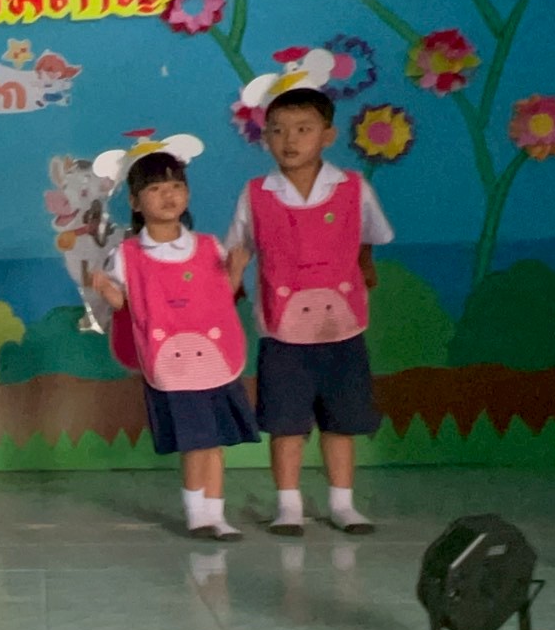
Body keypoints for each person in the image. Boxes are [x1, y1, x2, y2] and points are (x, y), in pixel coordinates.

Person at [226, 87, 393, 536]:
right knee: (286, 425)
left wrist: (364, 269)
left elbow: (370, 236)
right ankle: (288, 506)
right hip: (282, 332)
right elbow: (237, 249)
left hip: (342, 327)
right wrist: (229, 286)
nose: (290, 140)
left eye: (303, 129)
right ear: (265, 138)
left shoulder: (353, 188)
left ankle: (343, 504)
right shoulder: (256, 194)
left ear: (327, 135)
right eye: (277, 131)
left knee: (341, 422)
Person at [89, 133, 259, 541]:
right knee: (195, 442)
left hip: (213, 359)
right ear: (134, 202)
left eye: (176, 185)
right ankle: (197, 515)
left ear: (187, 193)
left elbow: (222, 297)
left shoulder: (209, 247)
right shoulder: (128, 255)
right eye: (155, 188)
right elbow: (126, 305)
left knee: (214, 442)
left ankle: (216, 514)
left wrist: (236, 270)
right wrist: (105, 289)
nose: (168, 195)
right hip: (171, 364)